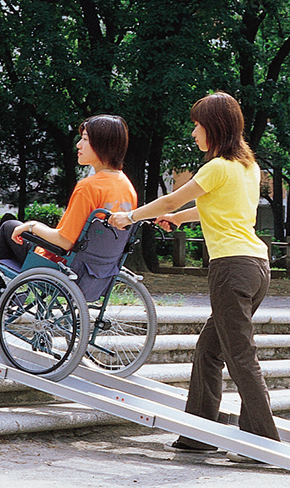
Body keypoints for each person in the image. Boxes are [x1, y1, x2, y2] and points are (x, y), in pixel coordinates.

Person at [109, 91, 279, 461]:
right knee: (209, 350)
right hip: (255, 267)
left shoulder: (216, 167)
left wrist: (129, 216)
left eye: (198, 125)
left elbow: (173, 199)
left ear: (214, 127)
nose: (193, 132)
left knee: (240, 355)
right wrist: (176, 220)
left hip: (231, 269)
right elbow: (211, 209)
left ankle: (262, 441)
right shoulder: (247, 167)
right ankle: (197, 434)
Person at [0, 114, 137, 312]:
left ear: (102, 144)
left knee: (8, 228)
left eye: (85, 139)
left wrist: (32, 226)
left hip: (63, 268)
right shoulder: (127, 187)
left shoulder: (89, 187)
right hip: (98, 274)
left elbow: (65, 241)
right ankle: (1, 298)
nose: (78, 145)